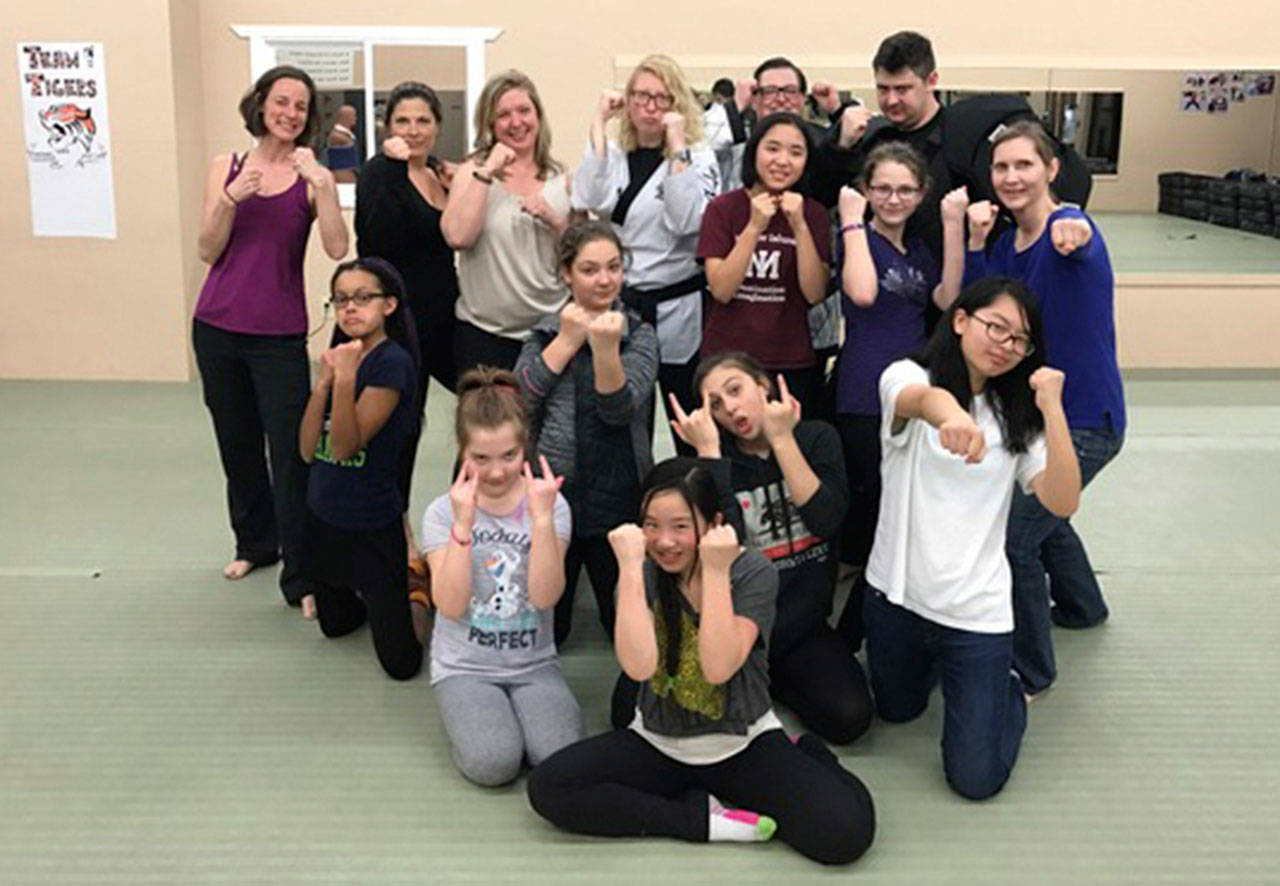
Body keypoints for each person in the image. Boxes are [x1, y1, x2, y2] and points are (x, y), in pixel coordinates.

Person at [527, 459, 876, 866]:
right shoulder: (641, 569)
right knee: (549, 788)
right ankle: (699, 818)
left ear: (713, 525)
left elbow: (717, 667)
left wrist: (714, 571)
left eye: (680, 526)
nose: (664, 541)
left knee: (847, 833)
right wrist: (628, 570)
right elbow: (639, 668)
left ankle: (810, 752)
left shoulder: (751, 572)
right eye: (651, 525)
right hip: (658, 742)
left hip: (743, 743)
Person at [863, 276, 1081, 799]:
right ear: (961, 320)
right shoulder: (905, 375)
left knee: (975, 779)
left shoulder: (1017, 416)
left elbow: (1062, 500)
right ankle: (943, 674)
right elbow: (922, 399)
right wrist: (954, 416)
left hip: (975, 610)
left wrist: (1052, 409)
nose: (1005, 346)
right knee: (896, 711)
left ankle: (1006, 685)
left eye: (1019, 340)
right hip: (897, 600)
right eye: (996, 327)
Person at [964, 120, 1126, 697]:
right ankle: (1083, 606)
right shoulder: (1009, 242)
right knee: (1047, 510)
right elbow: (982, 305)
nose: (1011, 177)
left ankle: (1032, 670)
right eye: (1001, 167)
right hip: (1044, 416)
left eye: (1024, 165)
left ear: (1051, 169)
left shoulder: (1064, 227)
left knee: (1014, 538)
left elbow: (1077, 232)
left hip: (1086, 420)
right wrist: (978, 243)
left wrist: (1076, 228)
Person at [193, 65, 348, 607]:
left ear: (308, 118)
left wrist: (324, 186)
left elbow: (334, 247)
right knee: (236, 444)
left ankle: (302, 576)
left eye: (300, 107)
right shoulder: (226, 165)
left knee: (290, 453)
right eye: (281, 102)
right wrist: (231, 198)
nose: (289, 113)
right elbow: (208, 250)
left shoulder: (311, 176)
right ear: (261, 105)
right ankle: (255, 543)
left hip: (279, 334)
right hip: (216, 327)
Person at [663, 352, 872, 745]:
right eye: (716, 406)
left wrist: (781, 438)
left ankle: (766, 687)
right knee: (650, 711)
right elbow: (729, 548)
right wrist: (708, 456)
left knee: (851, 718)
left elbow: (825, 521)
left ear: (764, 385)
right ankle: (755, 683)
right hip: (737, 629)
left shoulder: (816, 437)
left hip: (802, 628)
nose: (731, 409)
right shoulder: (712, 464)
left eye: (736, 390)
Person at [420, 369, 581, 786]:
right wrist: (462, 526)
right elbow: (451, 605)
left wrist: (542, 520)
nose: (496, 473)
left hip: (535, 662)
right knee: (494, 765)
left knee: (558, 760)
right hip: (465, 666)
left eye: (509, 456)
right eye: (481, 458)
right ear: (461, 451)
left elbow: (546, 597)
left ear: (525, 446)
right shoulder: (441, 512)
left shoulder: (551, 504)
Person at [831, 143, 967, 637]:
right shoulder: (856, 238)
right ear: (866, 190)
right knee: (878, 507)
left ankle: (880, 618)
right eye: (882, 188)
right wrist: (851, 217)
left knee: (899, 502)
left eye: (905, 189)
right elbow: (863, 294)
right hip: (864, 391)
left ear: (921, 194)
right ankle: (853, 631)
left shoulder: (921, 249)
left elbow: (948, 300)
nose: (893, 198)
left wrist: (954, 228)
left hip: (912, 386)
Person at [515, 220, 659, 644]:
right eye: (590, 269)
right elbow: (518, 402)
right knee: (549, 628)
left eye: (613, 268)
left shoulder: (640, 335)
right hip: (552, 492)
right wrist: (566, 340)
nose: (604, 280)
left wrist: (605, 349)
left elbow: (618, 410)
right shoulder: (543, 332)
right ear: (566, 273)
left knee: (622, 622)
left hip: (619, 493)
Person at [572, 55, 720, 454]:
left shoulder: (699, 157)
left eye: (660, 98)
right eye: (640, 97)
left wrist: (676, 148)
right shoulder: (616, 154)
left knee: (684, 415)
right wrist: (598, 124)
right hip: (624, 305)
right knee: (624, 418)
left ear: (676, 105)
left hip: (678, 303)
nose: (649, 108)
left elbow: (686, 220)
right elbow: (587, 197)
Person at [356, 81, 460, 581]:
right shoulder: (380, 172)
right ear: (387, 127)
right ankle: (393, 534)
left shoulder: (442, 176)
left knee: (490, 397)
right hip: (402, 326)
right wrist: (392, 168)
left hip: (447, 319)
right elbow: (374, 238)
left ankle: (473, 513)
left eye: (422, 120)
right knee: (402, 430)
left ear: (437, 126)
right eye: (403, 121)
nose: (413, 130)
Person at [297, 258, 421, 677]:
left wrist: (346, 380)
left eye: (363, 298)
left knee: (401, 664)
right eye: (342, 299)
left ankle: (417, 592)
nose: (351, 308)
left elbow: (347, 447)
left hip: (371, 522)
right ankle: (362, 595)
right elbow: (307, 450)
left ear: (387, 306)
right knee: (336, 627)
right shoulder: (338, 360)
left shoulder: (392, 363)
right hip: (323, 517)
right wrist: (323, 384)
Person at [697, 112, 831, 411]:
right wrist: (754, 227)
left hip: (791, 359)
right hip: (726, 360)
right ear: (754, 151)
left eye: (796, 152)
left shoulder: (814, 214)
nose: (783, 161)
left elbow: (814, 293)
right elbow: (720, 289)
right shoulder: (723, 209)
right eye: (772, 148)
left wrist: (799, 226)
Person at [442, 71, 570, 376]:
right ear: (489, 124)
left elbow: (579, 255)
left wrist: (554, 220)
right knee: (488, 424)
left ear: (538, 115)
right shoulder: (472, 173)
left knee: (550, 424)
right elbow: (458, 236)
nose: (516, 123)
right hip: (485, 337)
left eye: (524, 111)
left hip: (550, 335)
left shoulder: (560, 178)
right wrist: (487, 172)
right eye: (503, 115)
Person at [326, 103, 360, 183]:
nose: (356, 118)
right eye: (353, 115)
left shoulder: (348, 135)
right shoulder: (336, 136)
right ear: (345, 117)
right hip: (342, 179)